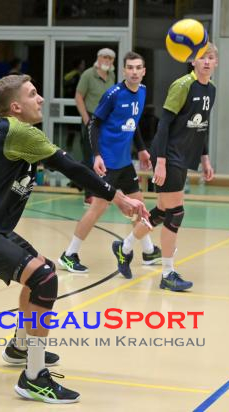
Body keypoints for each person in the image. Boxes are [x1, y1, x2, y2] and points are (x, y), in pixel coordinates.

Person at [0, 74, 148, 403]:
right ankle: (34, 378)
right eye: (32, 94)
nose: (40, 99)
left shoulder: (14, 132)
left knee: (42, 271)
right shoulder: (19, 131)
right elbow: (73, 168)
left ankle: (19, 347)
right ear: (15, 107)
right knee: (45, 280)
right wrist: (121, 199)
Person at [110, 43, 219, 291]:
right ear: (193, 61)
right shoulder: (183, 85)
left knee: (160, 212)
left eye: (210, 58)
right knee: (175, 213)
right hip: (170, 157)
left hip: (185, 156)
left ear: (215, 63)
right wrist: (161, 162)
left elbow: (200, 126)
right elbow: (164, 125)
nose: (206, 62)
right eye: (201, 58)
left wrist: (205, 157)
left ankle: (124, 247)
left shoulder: (211, 89)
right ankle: (168, 273)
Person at [59, 52, 160, 275]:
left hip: (125, 162)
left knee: (139, 205)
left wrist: (142, 149)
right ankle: (69, 254)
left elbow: (133, 124)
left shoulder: (142, 92)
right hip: (107, 162)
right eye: (130, 68)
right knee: (98, 208)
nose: (134, 72)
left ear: (144, 71)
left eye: (138, 68)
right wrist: (96, 155)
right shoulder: (113, 94)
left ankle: (149, 250)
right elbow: (94, 124)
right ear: (123, 71)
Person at [76, 48, 116, 204]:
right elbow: (78, 97)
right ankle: (89, 194)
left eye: (110, 58)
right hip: (92, 119)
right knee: (90, 158)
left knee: (104, 157)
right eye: (104, 57)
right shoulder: (88, 74)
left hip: (107, 121)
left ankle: (103, 192)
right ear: (98, 58)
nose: (107, 60)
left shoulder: (111, 75)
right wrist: (87, 120)